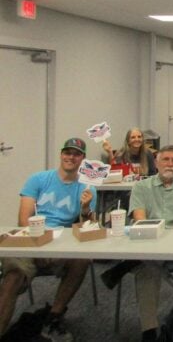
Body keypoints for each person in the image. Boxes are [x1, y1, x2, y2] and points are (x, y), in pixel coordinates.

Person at [0, 138, 96, 340]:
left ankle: (54, 316)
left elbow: (87, 227)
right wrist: (39, 248)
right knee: (13, 276)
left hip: (61, 244)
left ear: (82, 159)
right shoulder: (38, 179)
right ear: (61, 154)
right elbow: (23, 219)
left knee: (82, 259)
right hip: (31, 241)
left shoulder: (87, 188)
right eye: (67, 152)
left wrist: (86, 209)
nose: (71, 157)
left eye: (76, 154)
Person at [129, 146, 173, 342]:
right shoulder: (141, 188)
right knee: (147, 271)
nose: (170, 164)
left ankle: (130, 264)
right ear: (157, 163)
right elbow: (140, 220)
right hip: (150, 245)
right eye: (166, 159)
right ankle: (149, 331)